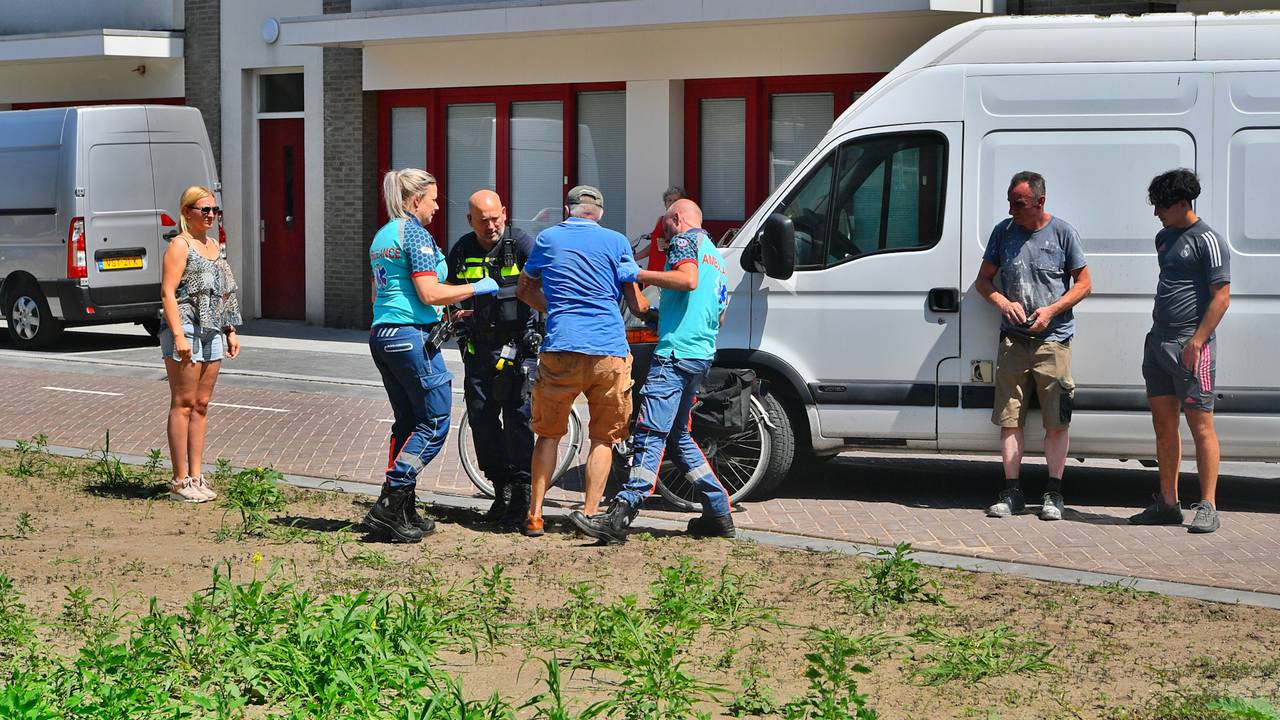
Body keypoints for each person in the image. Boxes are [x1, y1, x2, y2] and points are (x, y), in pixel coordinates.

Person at [570, 199, 733, 544]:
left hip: (674, 355)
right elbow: (717, 314)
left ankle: (620, 515)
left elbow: (687, 281)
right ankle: (718, 511)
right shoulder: (717, 258)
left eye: (665, 226)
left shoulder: (686, 240)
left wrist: (637, 273)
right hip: (700, 355)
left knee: (649, 433)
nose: (663, 236)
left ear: (677, 219)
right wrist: (661, 314)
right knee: (678, 436)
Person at [366, 169, 499, 543]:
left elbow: (380, 296)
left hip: (383, 334)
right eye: (433, 199)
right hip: (411, 336)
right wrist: (476, 288)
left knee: (408, 422)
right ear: (415, 201)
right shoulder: (414, 234)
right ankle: (390, 501)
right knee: (436, 421)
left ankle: (403, 508)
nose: (438, 206)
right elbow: (428, 293)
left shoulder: (383, 235)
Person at [516, 185, 646, 537]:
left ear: (568, 209)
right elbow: (635, 302)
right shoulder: (617, 242)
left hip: (561, 347)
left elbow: (524, 288)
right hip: (608, 350)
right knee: (603, 439)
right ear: (599, 212)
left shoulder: (548, 240)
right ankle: (589, 514)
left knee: (547, 435)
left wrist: (553, 309)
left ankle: (535, 516)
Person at [975, 171, 1091, 521]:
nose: (1012, 210)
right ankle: (1012, 492)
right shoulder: (1003, 233)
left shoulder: (1063, 233)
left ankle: (1054, 493)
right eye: (1010, 202)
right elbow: (983, 281)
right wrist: (1002, 303)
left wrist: (1052, 310)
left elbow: (1084, 284)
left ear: (1041, 200)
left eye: (1019, 203)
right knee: (1010, 420)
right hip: (1013, 342)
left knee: (1057, 421)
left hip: (1053, 341)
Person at [1129, 169, 1231, 534]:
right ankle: (1168, 504)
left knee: (1201, 425)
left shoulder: (1209, 240)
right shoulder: (1164, 238)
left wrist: (1198, 341)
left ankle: (1208, 506)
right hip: (1159, 343)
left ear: (1183, 204)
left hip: (1193, 347)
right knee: (1163, 425)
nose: (1157, 212)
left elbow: (1222, 297)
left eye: (1162, 206)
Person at [445, 190, 538, 528]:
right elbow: (448, 294)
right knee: (482, 420)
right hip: (478, 351)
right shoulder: (461, 250)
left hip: (517, 350)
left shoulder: (522, 244)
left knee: (518, 420)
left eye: (495, 217)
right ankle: (501, 492)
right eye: (482, 220)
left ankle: (522, 493)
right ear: (470, 221)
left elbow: (546, 284)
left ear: (504, 212)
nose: (490, 225)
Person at [159, 186, 241, 503]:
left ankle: (196, 475)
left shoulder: (213, 246)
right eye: (204, 209)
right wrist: (179, 335)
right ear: (187, 211)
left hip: (212, 328)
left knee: (201, 405)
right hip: (187, 326)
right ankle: (180, 481)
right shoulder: (180, 246)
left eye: (214, 210)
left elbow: (225, 289)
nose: (210, 215)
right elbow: (168, 292)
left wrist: (230, 329)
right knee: (183, 402)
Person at [644, 186, 686, 271]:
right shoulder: (661, 220)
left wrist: (669, 246)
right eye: (669, 200)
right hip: (654, 264)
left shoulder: (684, 222)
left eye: (675, 201)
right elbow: (654, 244)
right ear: (665, 204)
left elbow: (687, 246)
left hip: (669, 267)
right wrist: (636, 257)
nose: (672, 203)